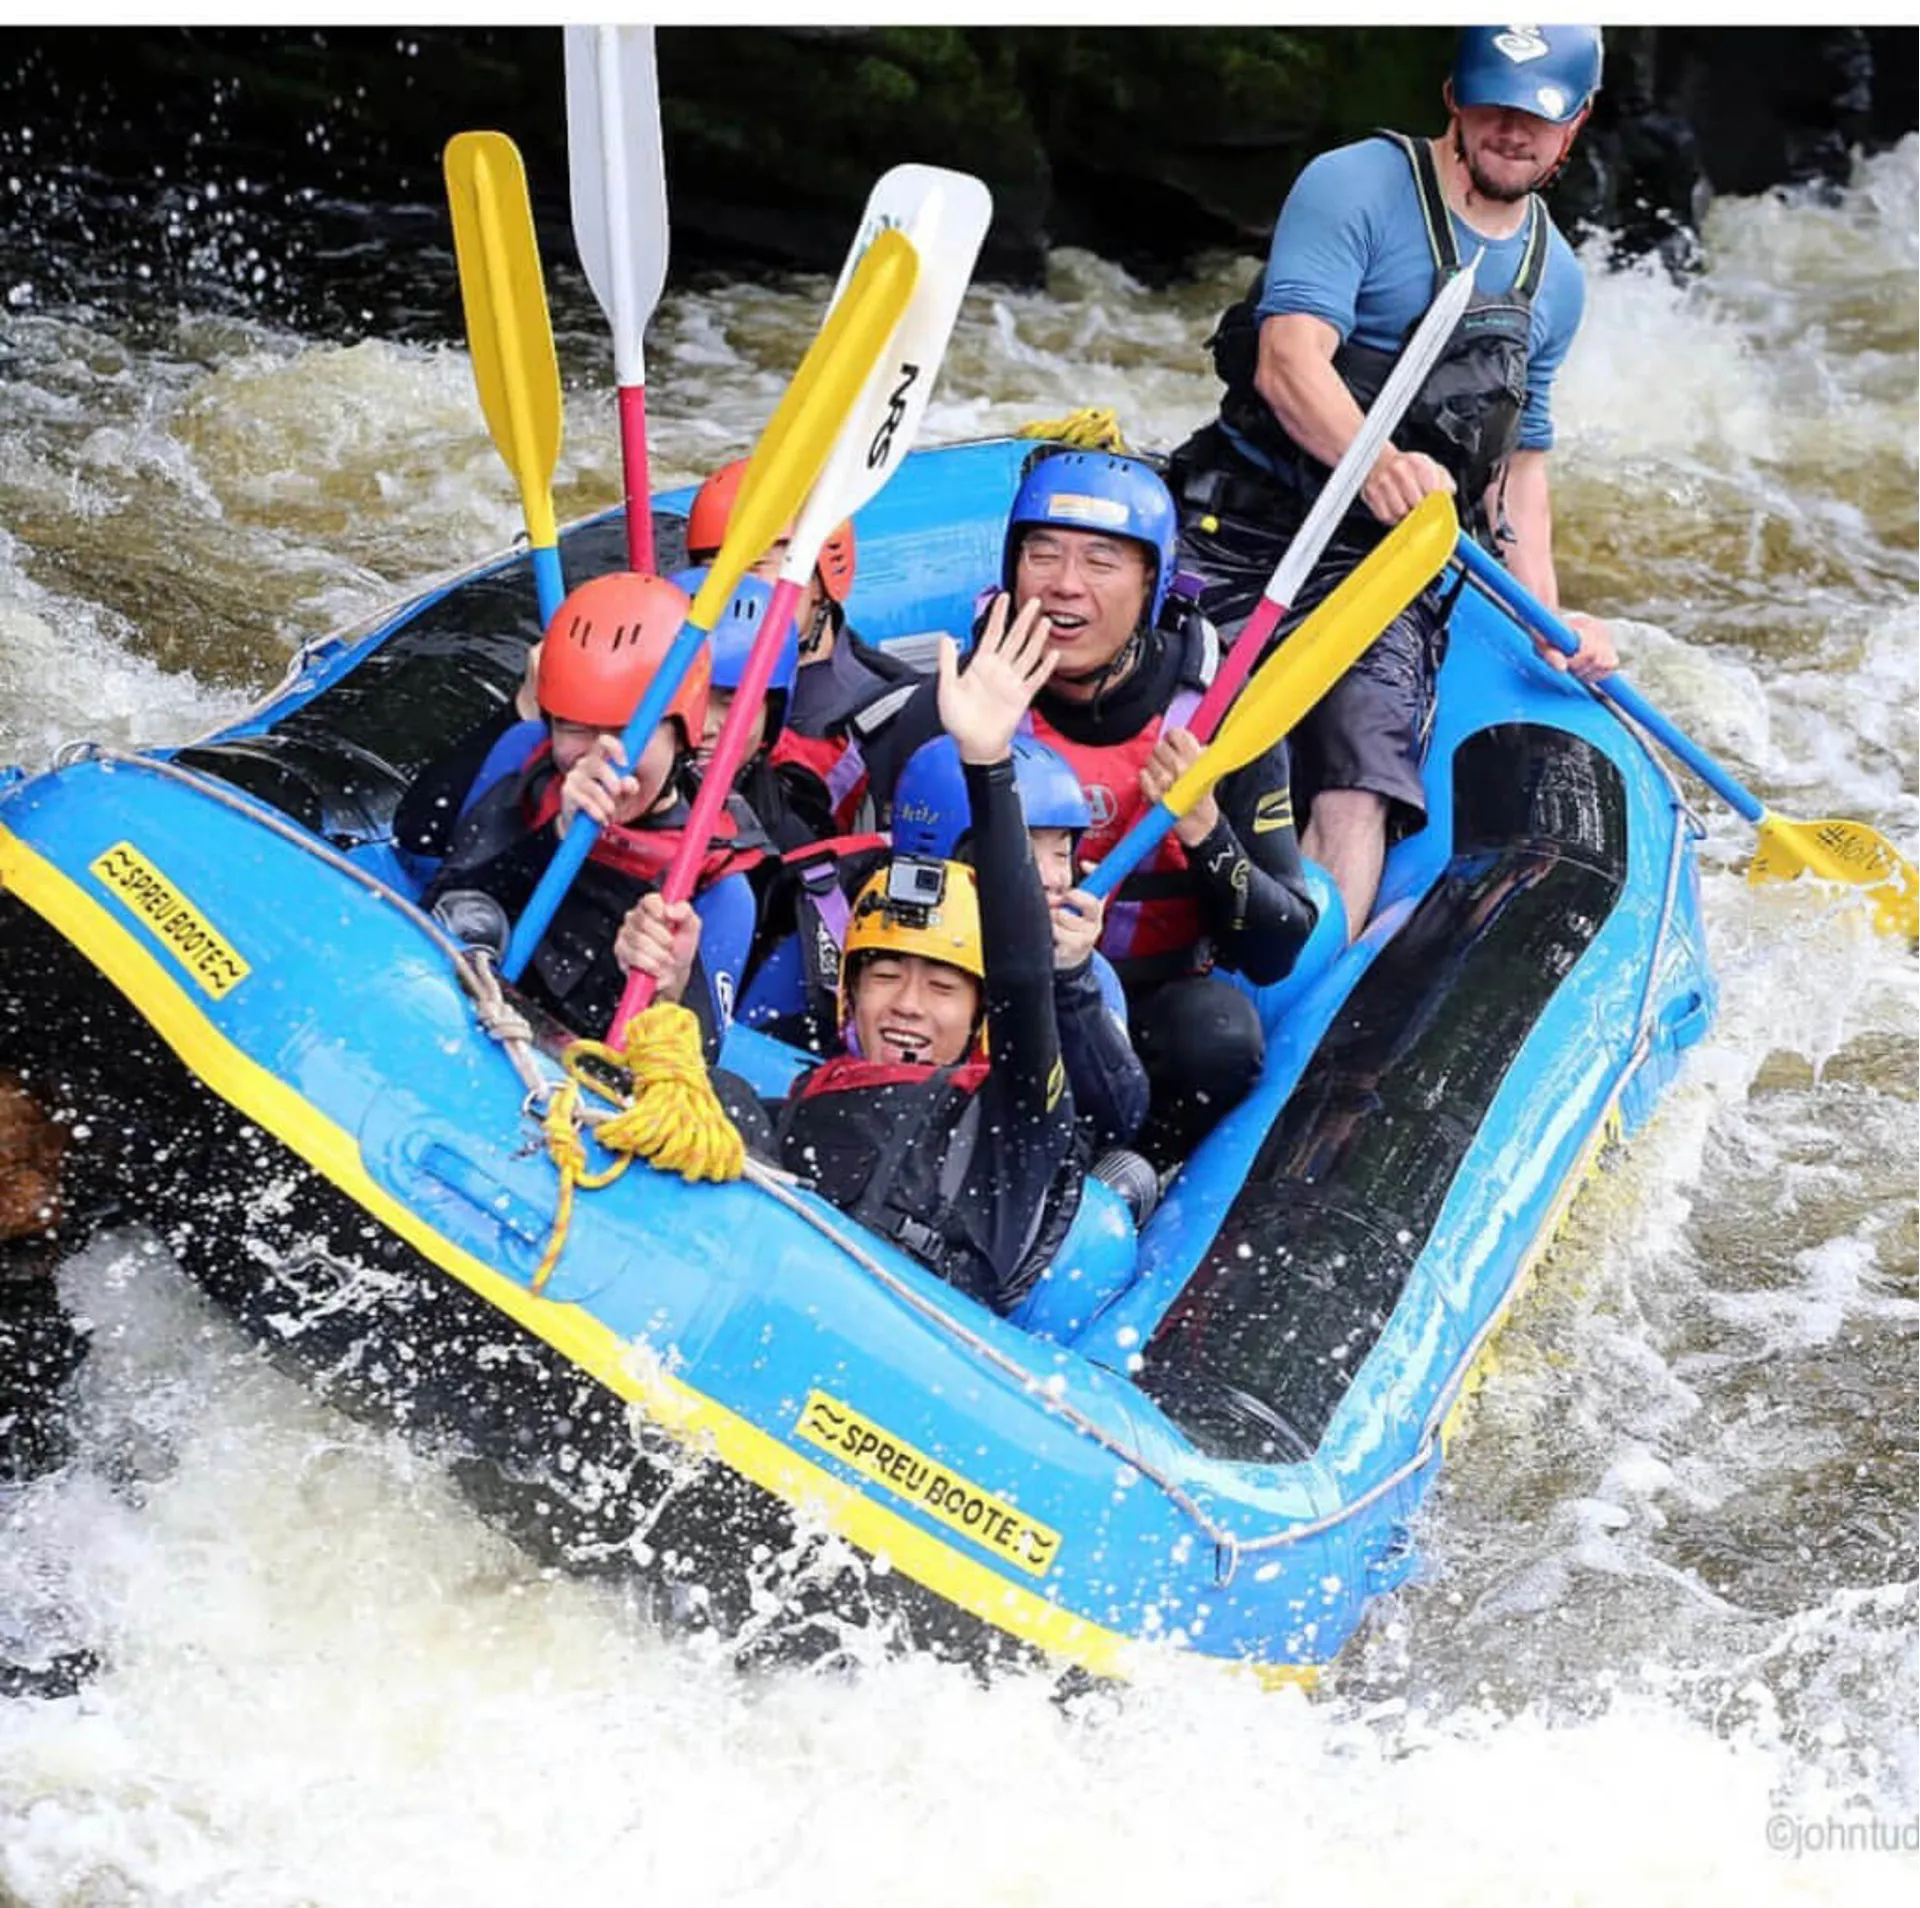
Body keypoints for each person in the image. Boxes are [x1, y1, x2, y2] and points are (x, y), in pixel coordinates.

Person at [1166, 23, 1619, 941]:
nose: (1511, 133)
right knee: (1158, 709)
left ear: (1574, 124)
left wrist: (1549, 618)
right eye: (1493, 106)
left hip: (1383, 569)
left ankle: (1298, 985)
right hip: (1248, 517)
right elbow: (1290, 359)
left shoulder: (1555, 282)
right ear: (1455, 97)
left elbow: (1519, 468)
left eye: (1536, 117)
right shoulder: (1357, 186)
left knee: (1360, 777)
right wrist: (1372, 466)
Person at [859, 449, 1319, 1166]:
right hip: (979, 1002)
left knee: (1218, 1036)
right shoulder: (950, 709)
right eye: (1042, 555)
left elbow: (1275, 946)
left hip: (1147, 1010)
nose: (1065, 586)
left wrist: (1205, 832)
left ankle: (1140, 1179)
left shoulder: (1225, 718)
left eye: (1101, 562)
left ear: (1152, 583)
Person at [766, 595, 1079, 1317]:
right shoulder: (800, 1103)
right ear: (849, 995)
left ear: (981, 1013)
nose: (906, 1005)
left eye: (942, 987)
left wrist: (988, 764)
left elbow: (1025, 972)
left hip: (903, 1343)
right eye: (883, 976)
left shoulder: (1017, 1118)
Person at [424, 570, 766, 1048]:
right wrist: (554, 838)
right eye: (575, 728)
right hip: (464, 1022)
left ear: (684, 732)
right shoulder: (529, 767)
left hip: (556, 1084)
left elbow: (691, 1073)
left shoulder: (718, 887)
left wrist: (671, 992)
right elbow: (430, 874)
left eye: (629, 730)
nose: (600, 757)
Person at [892, 731, 1149, 1151]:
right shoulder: (848, 921)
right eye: (1026, 850)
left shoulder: (1085, 974)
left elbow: (1115, 1120)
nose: (1053, 879)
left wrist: (1070, 982)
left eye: (1062, 853)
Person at [683, 457, 922, 831]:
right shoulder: (673, 683)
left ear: (821, 578)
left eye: (754, 567)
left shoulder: (891, 717)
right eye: (712, 572)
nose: (730, 591)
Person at [670, 566, 838, 854]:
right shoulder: (602, 801)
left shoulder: (795, 820)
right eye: (686, 698)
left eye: (731, 701)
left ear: (771, 713)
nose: (705, 727)